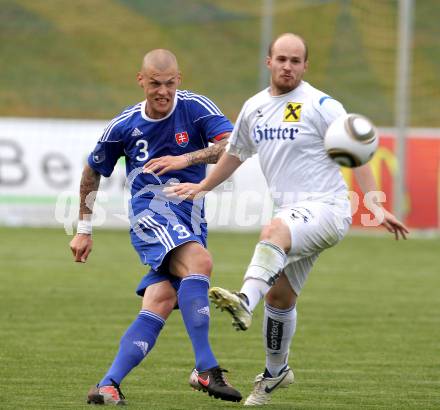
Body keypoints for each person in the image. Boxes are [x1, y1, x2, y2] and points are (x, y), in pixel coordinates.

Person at [166, 33, 409, 406]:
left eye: (296, 61)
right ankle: (276, 372)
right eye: (281, 59)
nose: (288, 66)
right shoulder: (255, 107)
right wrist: (203, 187)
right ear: (269, 61)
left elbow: (357, 151)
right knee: (280, 297)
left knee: (273, 231)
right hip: (294, 214)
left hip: (326, 208)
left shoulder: (321, 105)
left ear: (305, 66)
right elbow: (235, 153)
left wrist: (374, 203)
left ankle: (245, 299)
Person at [69, 49, 242, 405]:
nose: (162, 92)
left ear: (178, 80)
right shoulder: (124, 125)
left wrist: (187, 158)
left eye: (168, 83)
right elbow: (92, 171)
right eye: (154, 84)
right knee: (201, 264)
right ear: (141, 81)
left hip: (191, 217)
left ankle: (108, 384)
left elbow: (231, 145)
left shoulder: (196, 107)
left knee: (161, 300)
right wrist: (84, 230)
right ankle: (205, 369)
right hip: (151, 214)